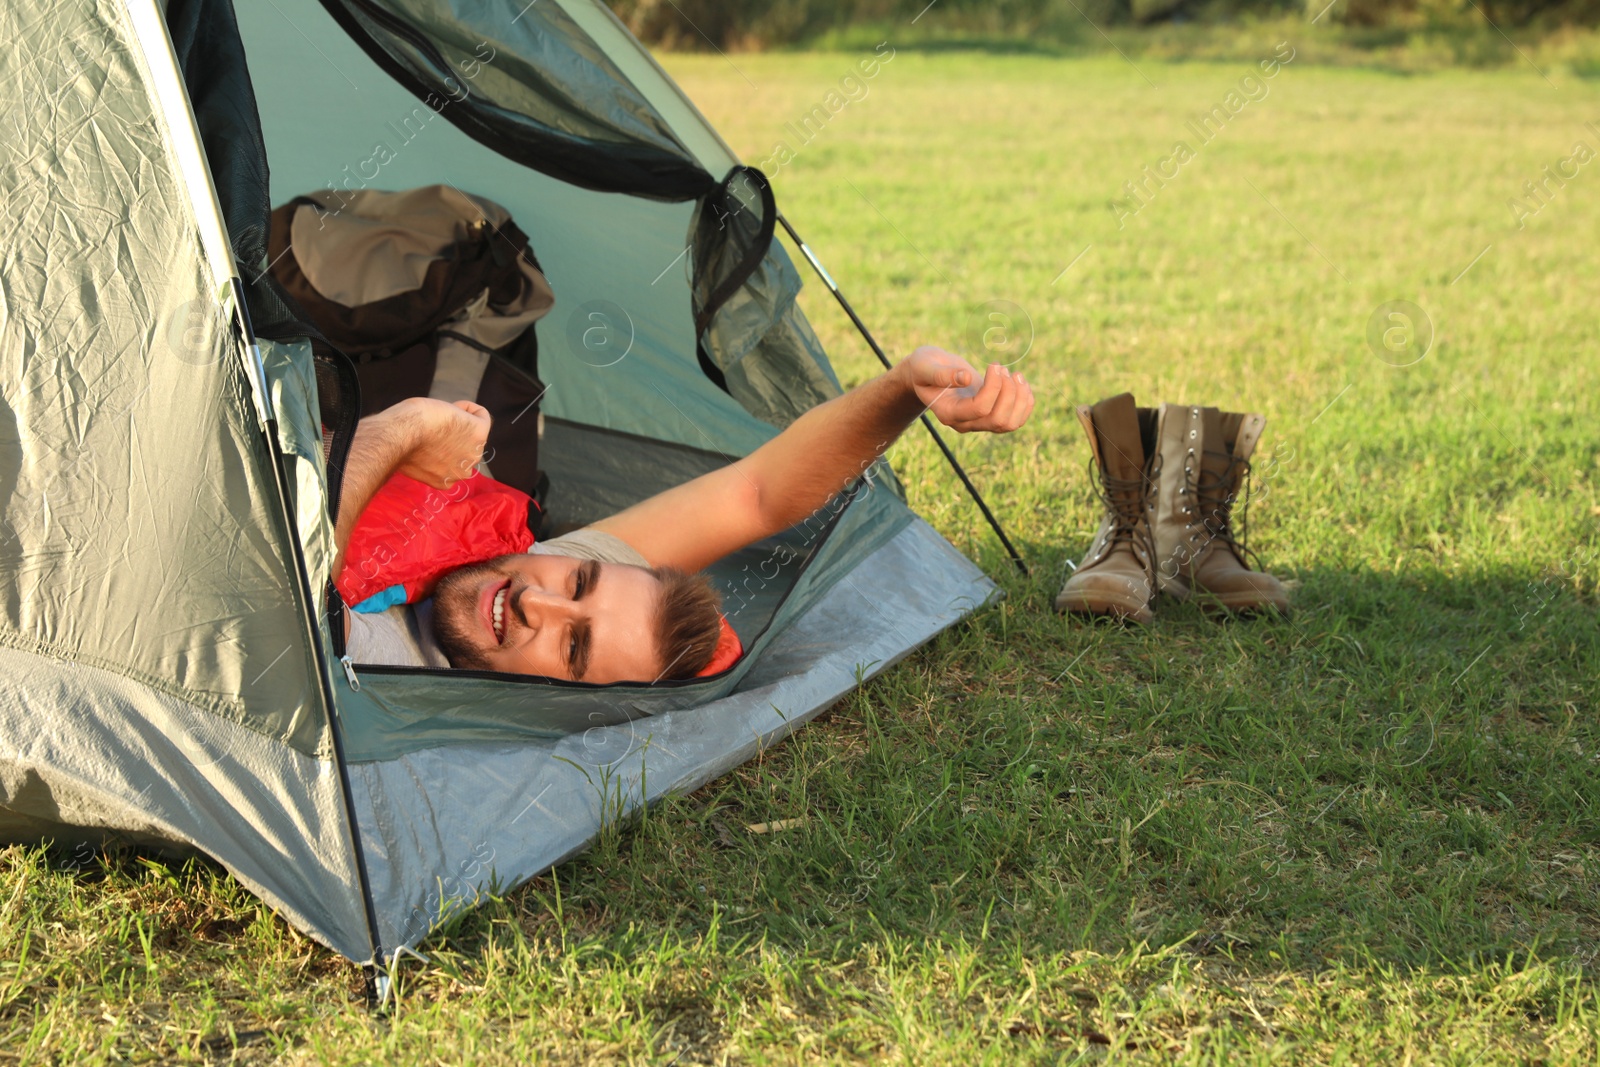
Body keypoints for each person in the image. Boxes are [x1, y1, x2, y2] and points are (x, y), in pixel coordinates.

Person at [335, 346, 1034, 683]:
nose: (537, 602)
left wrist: (402, 430)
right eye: (581, 581)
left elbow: (262, 578)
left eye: (572, 649)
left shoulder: (383, 662)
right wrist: (902, 389)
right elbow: (753, 495)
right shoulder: (526, 580)